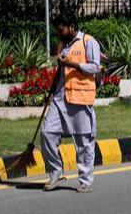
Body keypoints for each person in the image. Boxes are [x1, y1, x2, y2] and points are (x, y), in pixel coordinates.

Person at [42, 14, 101, 192]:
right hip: (60, 98)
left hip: (80, 98)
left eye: (61, 30)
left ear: (72, 27)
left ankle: (86, 181)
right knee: (47, 133)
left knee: (83, 142)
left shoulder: (88, 41)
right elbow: (60, 71)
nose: (59, 34)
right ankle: (56, 172)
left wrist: (73, 64)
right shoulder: (62, 45)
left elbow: (95, 67)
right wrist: (52, 91)